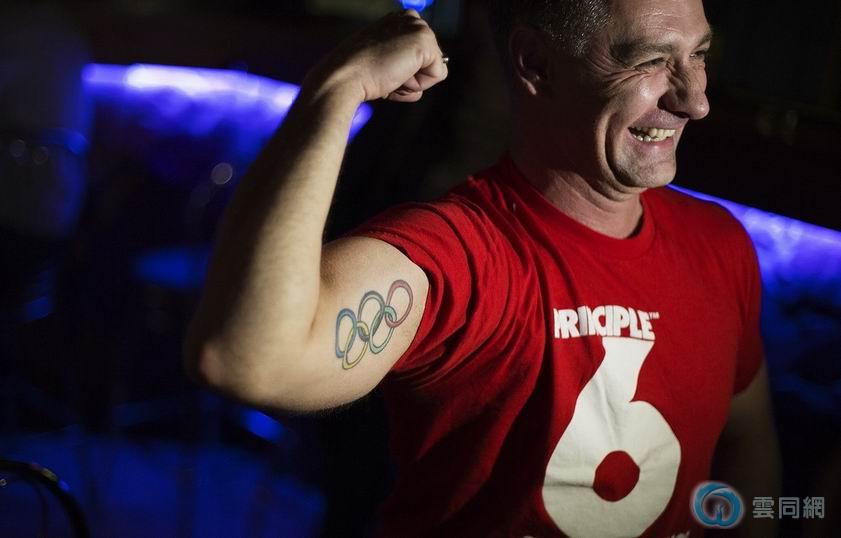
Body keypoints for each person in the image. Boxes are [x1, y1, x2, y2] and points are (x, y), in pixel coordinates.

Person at [185, 0, 781, 535]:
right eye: (649, 61)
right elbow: (246, 359)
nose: (695, 100)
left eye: (698, 54)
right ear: (535, 63)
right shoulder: (463, 257)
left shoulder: (719, 244)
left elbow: (745, 440)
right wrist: (336, 88)